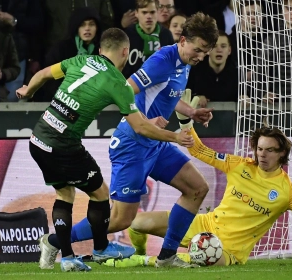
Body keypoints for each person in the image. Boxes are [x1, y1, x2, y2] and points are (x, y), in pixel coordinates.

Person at [39, 12, 219, 269]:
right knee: (121, 220)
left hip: (154, 144)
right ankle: (55, 240)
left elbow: (166, 93)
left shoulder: (185, 62)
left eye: (205, 52)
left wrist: (190, 111)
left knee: (197, 188)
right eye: (198, 50)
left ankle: (167, 256)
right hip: (133, 144)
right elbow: (125, 88)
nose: (200, 57)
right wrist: (144, 118)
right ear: (182, 40)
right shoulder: (162, 61)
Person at [103, 116, 292, 267]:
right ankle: (137, 249)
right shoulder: (239, 165)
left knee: (203, 258)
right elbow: (200, 151)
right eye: (259, 149)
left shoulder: (287, 192)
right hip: (202, 224)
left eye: (270, 150)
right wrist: (187, 122)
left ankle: (139, 260)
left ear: (282, 153)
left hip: (228, 250)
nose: (262, 155)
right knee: (136, 223)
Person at [33, 7, 102, 102]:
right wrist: (66, 98)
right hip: (61, 102)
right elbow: (50, 79)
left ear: (97, 28)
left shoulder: (103, 51)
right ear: (76, 27)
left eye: (91, 24)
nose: (87, 28)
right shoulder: (61, 49)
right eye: (82, 25)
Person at [122, 0, 174, 78]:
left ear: (157, 12)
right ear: (136, 13)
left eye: (152, 12)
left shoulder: (166, 34)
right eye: (144, 12)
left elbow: (171, 64)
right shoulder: (127, 35)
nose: (149, 16)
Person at [187, 30, 238, 107]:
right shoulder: (194, 72)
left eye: (223, 46)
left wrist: (243, 97)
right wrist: (195, 97)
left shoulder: (237, 75)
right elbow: (181, 96)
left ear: (229, 50)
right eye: (214, 46)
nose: (219, 50)